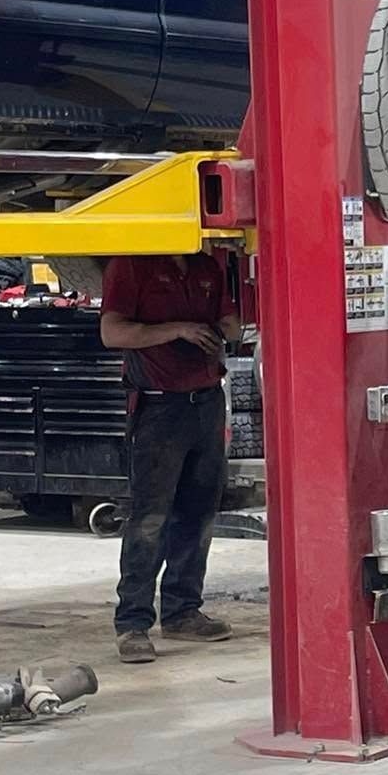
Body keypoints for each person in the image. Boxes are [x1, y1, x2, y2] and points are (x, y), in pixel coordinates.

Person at [99, 254, 243, 664]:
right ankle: (132, 623)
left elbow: (232, 323)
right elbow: (112, 332)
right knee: (150, 518)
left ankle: (182, 611)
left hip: (207, 403)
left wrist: (215, 332)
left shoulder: (206, 266)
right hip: (159, 409)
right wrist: (177, 329)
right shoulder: (130, 266)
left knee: (198, 513)